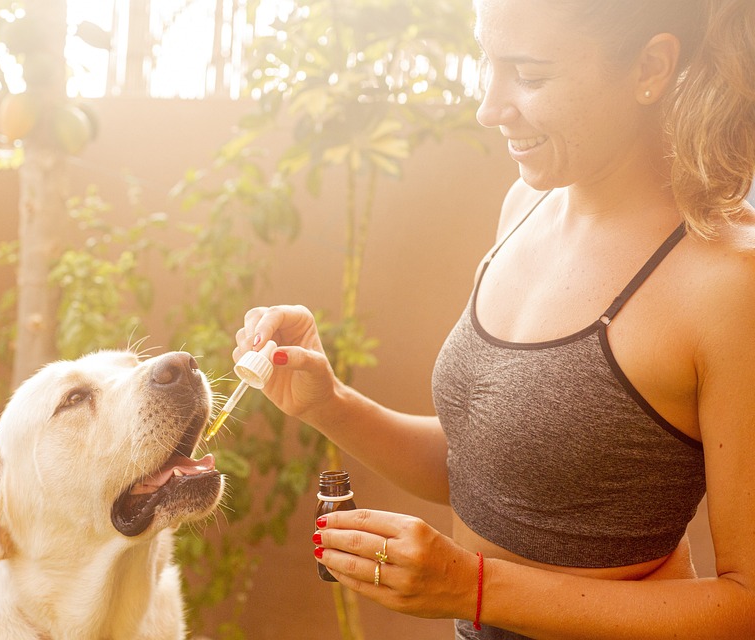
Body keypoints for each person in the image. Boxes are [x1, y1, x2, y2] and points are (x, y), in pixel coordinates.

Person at [231, 0, 755, 638]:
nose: (489, 108)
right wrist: (331, 403)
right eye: (489, 62)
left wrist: (472, 587)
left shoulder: (726, 283)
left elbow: (745, 603)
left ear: (650, 66)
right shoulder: (527, 205)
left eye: (530, 75)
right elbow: (493, 469)